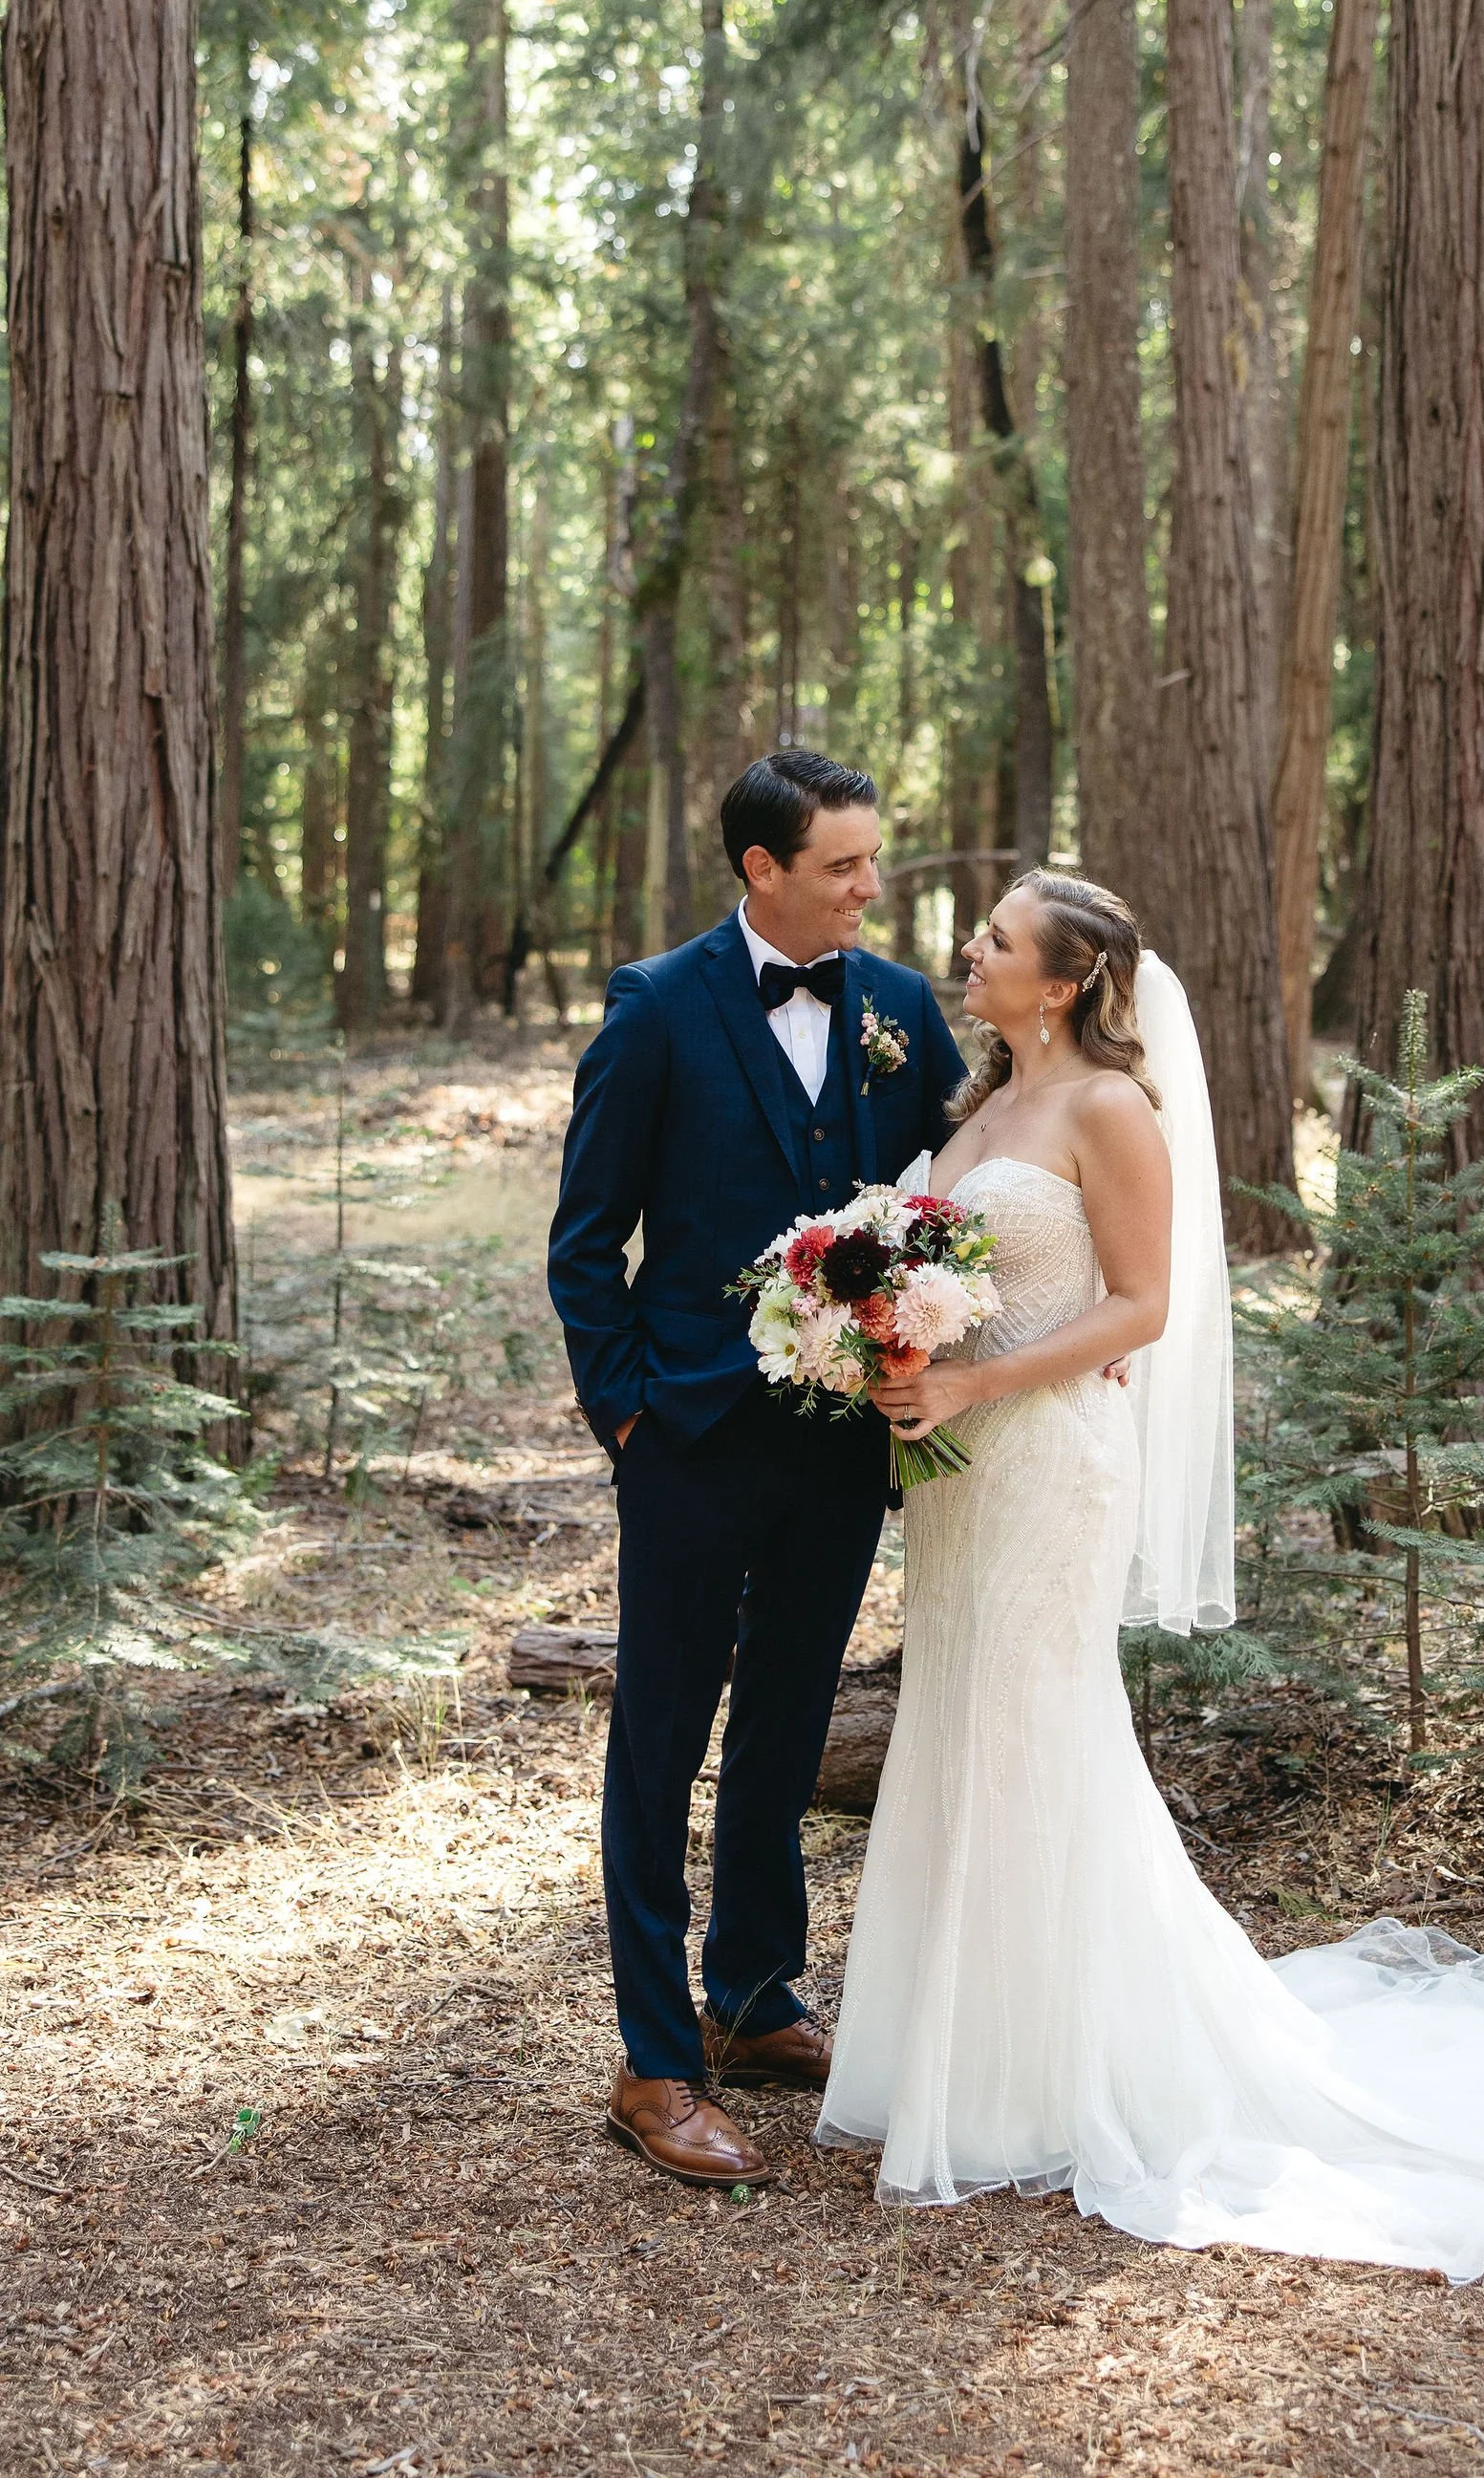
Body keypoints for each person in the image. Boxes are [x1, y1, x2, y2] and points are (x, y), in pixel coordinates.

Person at [819, 869, 1484, 2285]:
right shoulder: (980, 1104)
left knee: (1034, 1732)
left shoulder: (1113, 1110)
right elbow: (968, 1267)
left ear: (1061, 982)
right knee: (964, 1726)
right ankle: (971, 2052)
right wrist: (902, 1351)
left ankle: (1045, 2078)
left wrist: (982, 1373)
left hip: (1053, 1457)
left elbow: (1145, 1305)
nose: (971, 949)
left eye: (998, 939)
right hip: (964, 1468)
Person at [548, 749, 967, 2188]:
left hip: (845, 1442)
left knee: (789, 1722)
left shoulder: (906, 1012)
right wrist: (628, 1418)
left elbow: (967, 1195)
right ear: (762, 871)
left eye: (872, 860)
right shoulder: (660, 1009)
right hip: (691, 1439)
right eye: (846, 866)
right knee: (660, 1740)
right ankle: (654, 2062)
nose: (872, 886)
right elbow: (586, 1239)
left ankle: (753, 1996)